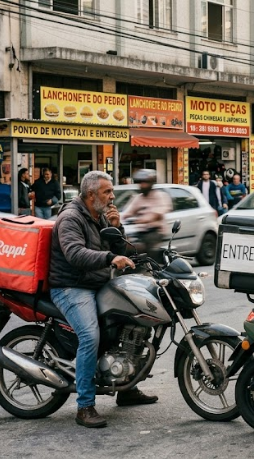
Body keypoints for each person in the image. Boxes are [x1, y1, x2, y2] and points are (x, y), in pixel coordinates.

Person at [49, 171, 158, 428]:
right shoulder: (71, 218)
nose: (112, 197)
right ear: (90, 194)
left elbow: (121, 250)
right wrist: (109, 258)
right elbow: (75, 254)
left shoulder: (98, 217)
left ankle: (126, 388)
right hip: (71, 286)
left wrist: (117, 228)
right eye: (107, 192)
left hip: (96, 282)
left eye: (111, 192)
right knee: (90, 336)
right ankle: (84, 406)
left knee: (135, 318)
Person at [120, 169, 172, 261]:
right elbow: (128, 212)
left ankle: (152, 268)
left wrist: (143, 219)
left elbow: (159, 212)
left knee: (148, 249)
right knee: (126, 245)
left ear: (151, 183)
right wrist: (119, 219)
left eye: (145, 182)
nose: (142, 185)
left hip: (155, 231)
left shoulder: (160, 196)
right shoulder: (139, 198)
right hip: (139, 232)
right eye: (140, 183)